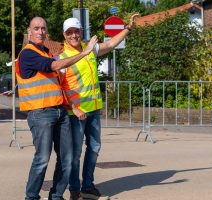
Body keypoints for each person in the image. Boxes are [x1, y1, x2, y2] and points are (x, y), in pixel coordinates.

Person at [15, 16, 97, 200]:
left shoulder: (46, 52)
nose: (40, 32)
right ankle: (31, 197)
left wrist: (72, 107)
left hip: (60, 112)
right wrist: (85, 53)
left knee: (66, 159)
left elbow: (57, 86)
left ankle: (56, 196)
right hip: (41, 114)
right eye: (36, 28)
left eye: (43, 28)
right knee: (42, 159)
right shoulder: (28, 54)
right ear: (29, 31)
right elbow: (55, 66)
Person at [59, 14, 139, 200]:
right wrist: (74, 107)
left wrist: (128, 28)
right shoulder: (63, 58)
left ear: (81, 32)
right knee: (76, 153)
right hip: (76, 113)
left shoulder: (90, 50)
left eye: (76, 31)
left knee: (94, 148)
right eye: (69, 32)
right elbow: (61, 87)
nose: (73, 35)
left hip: (94, 110)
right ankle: (74, 190)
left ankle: (87, 185)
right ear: (64, 35)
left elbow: (110, 44)